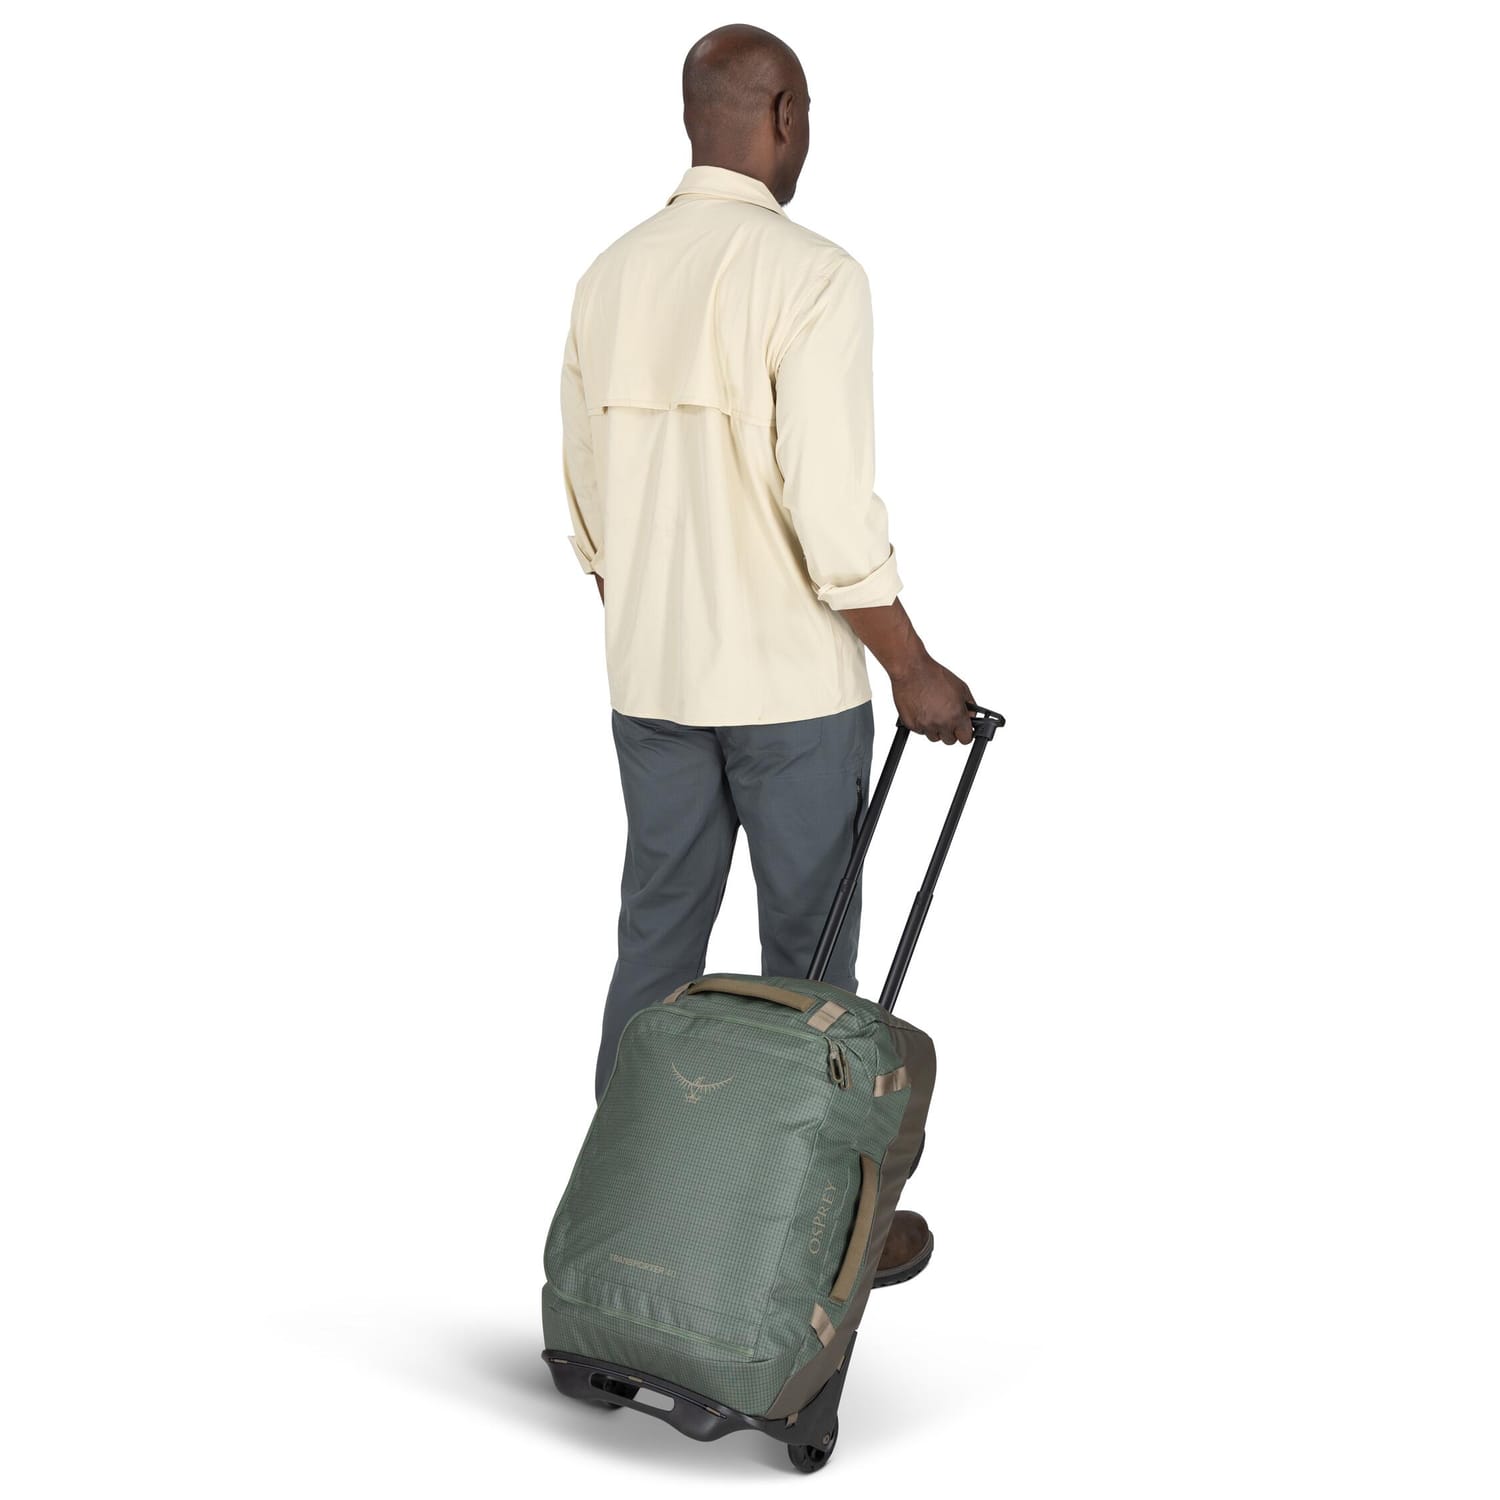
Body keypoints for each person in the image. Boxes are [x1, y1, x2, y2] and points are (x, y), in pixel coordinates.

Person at [559, 24, 973, 1289]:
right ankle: (813, 1236)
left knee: (655, 959)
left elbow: (590, 506)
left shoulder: (610, 276)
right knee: (810, 980)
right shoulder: (814, 275)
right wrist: (912, 666)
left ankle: (628, 1234)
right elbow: (831, 513)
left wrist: (665, 611)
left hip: (653, 685)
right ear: (783, 113)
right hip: (791, 693)